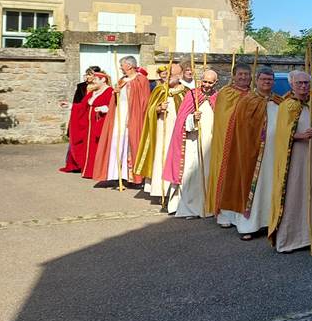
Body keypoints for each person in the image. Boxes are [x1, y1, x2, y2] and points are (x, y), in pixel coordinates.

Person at [269, 70, 312, 253]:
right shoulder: (286, 106)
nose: (304, 86)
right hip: (296, 157)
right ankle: (293, 238)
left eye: (306, 83)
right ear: (292, 85)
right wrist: (297, 135)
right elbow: (280, 135)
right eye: (300, 83)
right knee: (295, 193)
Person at [215, 66, 282, 240]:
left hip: (274, 155)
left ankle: (269, 222)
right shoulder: (248, 101)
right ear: (257, 81)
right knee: (254, 188)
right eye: (263, 79)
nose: (267, 82)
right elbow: (241, 131)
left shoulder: (277, 101)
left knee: (271, 187)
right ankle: (249, 226)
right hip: (252, 155)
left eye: (270, 80)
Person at [164, 69, 219, 218]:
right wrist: (192, 119)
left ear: (216, 82)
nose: (207, 85)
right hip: (193, 143)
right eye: (205, 81)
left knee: (208, 175)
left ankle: (208, 207)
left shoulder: (217, 97)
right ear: (201, 80)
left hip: (211, 144)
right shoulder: (192, 95)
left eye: (210, 82)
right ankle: (190, 208)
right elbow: (181, 120)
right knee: (191, 175)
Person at [91, 55, 151, 185]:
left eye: (122, 65)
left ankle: (133, 176)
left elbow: (144, 101)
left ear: (129, 65)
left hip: (134, 117)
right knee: (116, 144)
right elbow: (117, 101)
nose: (120, 67)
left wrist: (137, 116)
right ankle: (118, 174)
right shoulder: (121, 80)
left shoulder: (141, 80)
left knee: (132, 145)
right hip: (119, 116)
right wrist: (116, 93)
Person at [135, 63, 186, 208]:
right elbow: (149, 111)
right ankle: (161, 191)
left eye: (172, 75)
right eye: (167, 74)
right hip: (162, 133)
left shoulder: (186, 92)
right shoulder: (159, 90)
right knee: (161, 160)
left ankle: (176, 192)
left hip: (179, 135)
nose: (168, 77)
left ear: (180, 76)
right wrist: (158, 108)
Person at [205, 63, 252, 217]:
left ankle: (241, 212)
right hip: (229, 141)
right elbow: (224, 118)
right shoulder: (226, 93)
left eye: (246, 74)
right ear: (233, 76)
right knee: (226, 174)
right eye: (240, 74)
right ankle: (223, 213)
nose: (244, 77)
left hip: (247, 143)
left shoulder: (254, 94)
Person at [60, 66, 102, 172]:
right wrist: (73, 108)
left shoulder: (101, 87)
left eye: (90, 74)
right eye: (87, 74)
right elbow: (78, 102)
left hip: (93, 117)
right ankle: (74, 163)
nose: (88, 77)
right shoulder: (81, 87)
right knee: (75, 141)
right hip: (80, 115)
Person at [80, 71, 114, 179]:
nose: (93, 81)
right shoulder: (94, 92)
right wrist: (71, 106)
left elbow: (113, 105)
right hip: (90, 124)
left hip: (101, 122)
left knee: (99, 147)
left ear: (103, 80)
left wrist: (105, 108)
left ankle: (99, 171)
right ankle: (89, 171)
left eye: (95, 79)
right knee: (90, 147)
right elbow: (83, 105)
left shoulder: (110, 91)